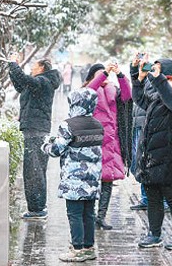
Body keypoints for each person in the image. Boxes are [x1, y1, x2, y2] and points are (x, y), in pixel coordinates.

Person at [132, 56, 172, 250]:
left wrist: (159, 79)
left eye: (171, 81)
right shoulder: (158, 100)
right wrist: (138, 78)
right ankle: (154, 234)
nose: (167, 82)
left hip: (171, 159)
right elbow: (140, 98)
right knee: (153, 199)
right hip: (151, 158)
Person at [41, 88, 103, 262]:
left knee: (74, 214)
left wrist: (46, 144)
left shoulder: (69, 125)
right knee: (89, 214)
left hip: (75, 179)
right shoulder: (98, 124)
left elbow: (56, 150)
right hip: (92, 179)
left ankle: (77, 249)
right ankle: (89, 248)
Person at [8, 53, 62, 220]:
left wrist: (14, 64)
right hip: (33, 129)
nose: (31, 67)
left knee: (34, 171)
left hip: (36, 130)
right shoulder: (39, 83)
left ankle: (38, 209)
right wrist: (12, 68)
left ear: (42, 68)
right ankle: (36, 207)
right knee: (33, 170)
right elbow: (20, 85)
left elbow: (25, 80)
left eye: (34, 65)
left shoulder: (43, 82)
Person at [84, 60, 132, 230]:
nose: (104, 76)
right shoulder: (86, 92)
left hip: (112, 142)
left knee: (108, 180)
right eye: (100, 73)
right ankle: (89, 216)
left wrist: (119, 74)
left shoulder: (113, 90)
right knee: (90, 181)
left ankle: (101, 216)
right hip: (92, 141)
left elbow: (127, 96)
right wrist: (103, 73)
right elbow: (90, 90)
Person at [130, 56, 172, 211]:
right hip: (139, 125)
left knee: (153, 164)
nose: (152, 69)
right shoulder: (149, 79)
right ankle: (145, 198)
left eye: (157, 67)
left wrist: (151, 77)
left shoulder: (165, 84)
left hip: (153, 127)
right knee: (140, 164)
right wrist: (135, 68)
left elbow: (149, 96)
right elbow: (136, 89)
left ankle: (162, 201)